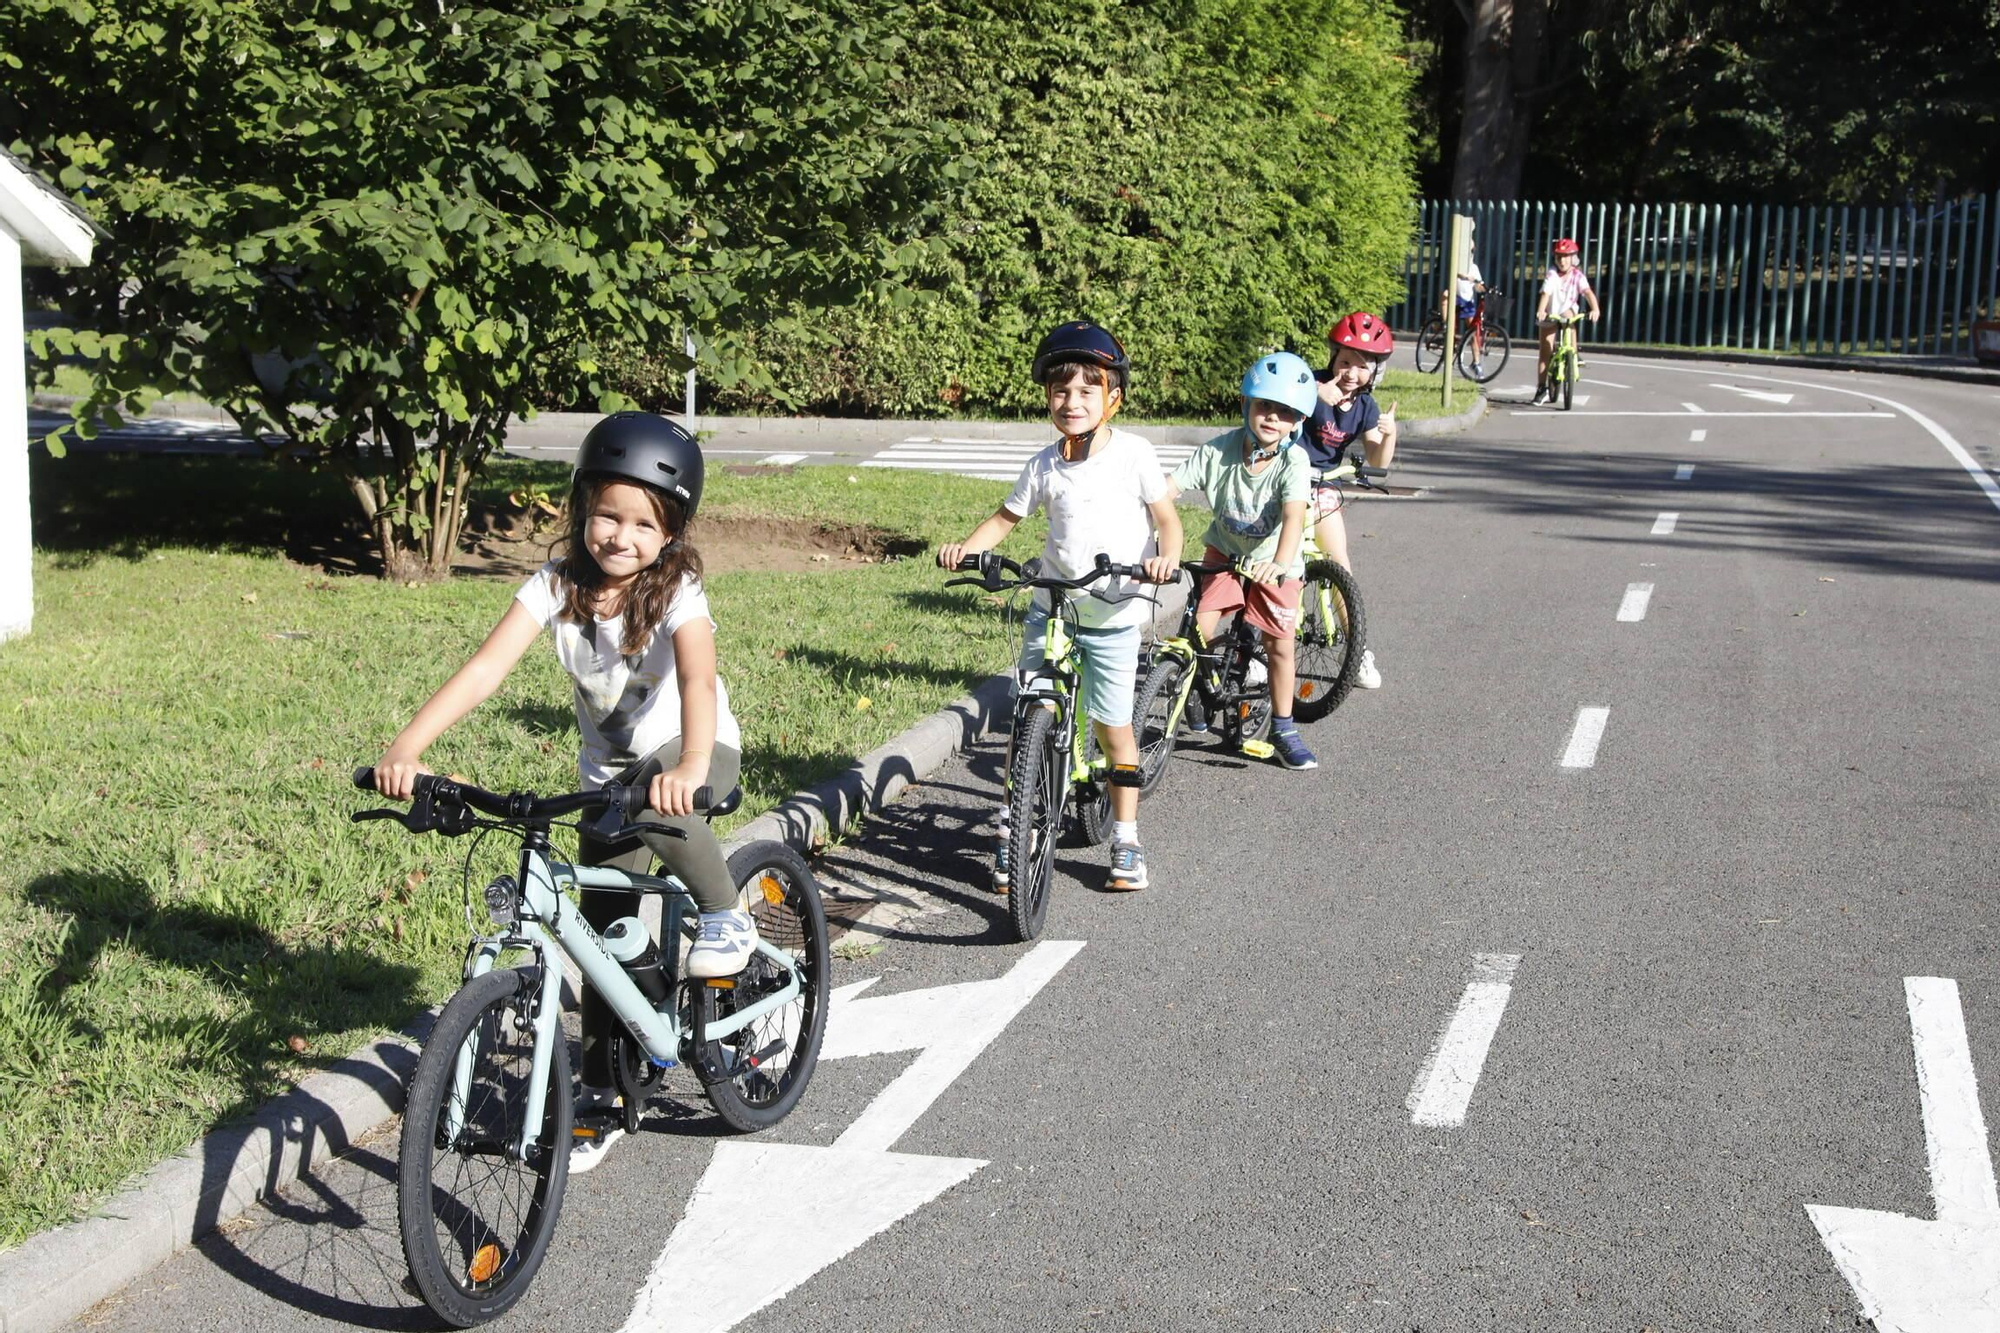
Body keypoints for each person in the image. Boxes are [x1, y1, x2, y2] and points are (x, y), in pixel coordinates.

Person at [370, 411, 749, 1171]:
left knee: (652, 802)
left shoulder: (679, 589)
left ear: (671, 532)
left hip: (694, 756)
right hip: (608, 782)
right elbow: (484, 671)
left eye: (645, 523)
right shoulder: (556, 585)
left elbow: (700, 676)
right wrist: (409, 745)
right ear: (581, 509)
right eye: (608, 514)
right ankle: (608, 1090)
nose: (621, 535)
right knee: (605, 936)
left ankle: (725, 912)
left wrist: (693, 765)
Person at [937, 320, 1182, 893]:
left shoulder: (1134, 456)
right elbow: (1005, 519)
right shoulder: (1045, 464)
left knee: (1111, 727)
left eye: (1086, 390)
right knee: (1029, 721)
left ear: (1112, 397)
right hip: (1052, 606)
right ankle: (1014, 832)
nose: (1071, 401)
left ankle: (1126, 839)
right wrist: (966, 551)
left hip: (1113, 611)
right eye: (1060, 391)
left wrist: (1165, 559)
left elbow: (1167, 521)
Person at [1162, 351, 1317, 770]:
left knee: (1280, 646)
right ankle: (1200, 684)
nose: (1272, 417)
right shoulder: (1220, 451)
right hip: (1225, 553)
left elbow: (1293, 517)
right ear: (1247, 405)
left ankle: (1284, 727)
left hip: (1273, 560)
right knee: (1200, 628)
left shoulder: (1293, 461)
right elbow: (1167, 490)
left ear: (1296, 423)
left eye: (1284, 412)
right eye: (1264, 406)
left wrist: (1281, 563)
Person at [1301, 312, 1398, 690]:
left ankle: (1356, 651)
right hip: (1286, 480)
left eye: (1362, 366)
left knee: (1339, 562)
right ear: (1332, 360)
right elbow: (1275, 411)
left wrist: (1389, 435)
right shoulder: (1309, 381)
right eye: (1344, 362)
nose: (1351, 373)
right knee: (1275, 564)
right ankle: (1254, 651)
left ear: (1374, 372)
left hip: (1323, 486)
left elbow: (1377, 461)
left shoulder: (1366, 407)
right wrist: (1312, 393)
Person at [1534, 237, 1600, 402]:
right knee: (1545, 350)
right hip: (1550, 312)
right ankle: (1542, 388)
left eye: (1566, 256)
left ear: (1573, 258)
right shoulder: (1552, 274)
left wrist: (1595, 308)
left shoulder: (1578, 275)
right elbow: (1546, 293)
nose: (1562, 261)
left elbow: (1587, 293)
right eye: (1559, 257)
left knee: (1569, 317)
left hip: (1567, 310)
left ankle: (1574, 354)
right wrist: (1541, 310)